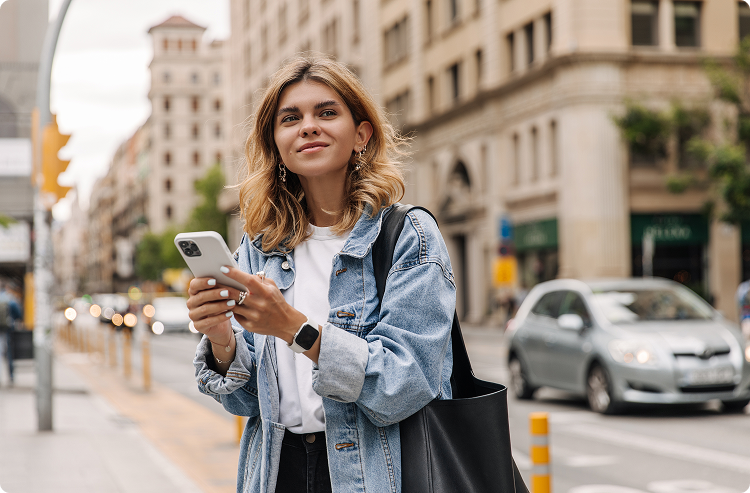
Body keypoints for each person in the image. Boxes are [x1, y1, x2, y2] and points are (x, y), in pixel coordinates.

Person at [186, 55, 456, 493]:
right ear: (276, 144)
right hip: (277, 471)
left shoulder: (408, 234)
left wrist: (294, 329)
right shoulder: (261, 247)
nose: (308, 126)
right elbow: (245, 402)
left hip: (375, 472)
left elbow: (405, 384)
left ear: (361, 135)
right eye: (290, 118)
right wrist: (221, 338)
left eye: (327, 113)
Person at [0, 280, 22, 386]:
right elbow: (18, 313)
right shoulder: (9, 299)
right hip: (7, 329)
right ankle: (11, 377)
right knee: (9, 353)